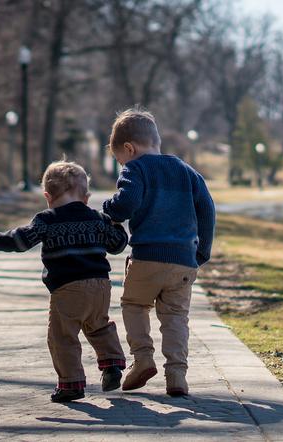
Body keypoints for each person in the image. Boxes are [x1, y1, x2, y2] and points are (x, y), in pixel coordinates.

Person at [0, 161, 128, 403]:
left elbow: (22, 240)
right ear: (86, 197)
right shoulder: (97, 218)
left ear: (47, 196)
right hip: (100, 285)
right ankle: (112, 364)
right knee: (98, 325)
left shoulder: (46, 220)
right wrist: (115, 223)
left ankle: (71, 384)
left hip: (67, 288)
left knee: (62, 336)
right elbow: (118, 245)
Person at [103, 108, 215, 396]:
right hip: (183, 261)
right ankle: (177, 375)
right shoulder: (187, 172)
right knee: (176, 317)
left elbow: (126, 204)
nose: (121, 165)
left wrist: (108, 209)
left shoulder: (135, 169)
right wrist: (201, 252)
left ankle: (142, 359)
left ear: (129, 148)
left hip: (147, 257)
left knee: (134, 305)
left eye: (119, 160)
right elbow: (208, 211)